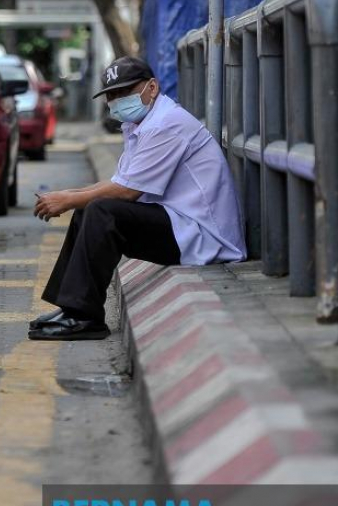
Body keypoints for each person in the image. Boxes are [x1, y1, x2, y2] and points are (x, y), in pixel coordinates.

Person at [29, 56, 246, 340]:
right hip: (178, 224)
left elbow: (128, 192)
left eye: (125, 92)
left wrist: (67, 200)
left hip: (203, 236)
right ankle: (72, 309)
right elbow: (120, 182)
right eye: (111, 95)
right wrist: (69, 196)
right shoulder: (141, 125)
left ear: (152, 87)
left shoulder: (166, 125)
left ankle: (84, 316)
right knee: (90, 209)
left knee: (102, 212)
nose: (117, 101)